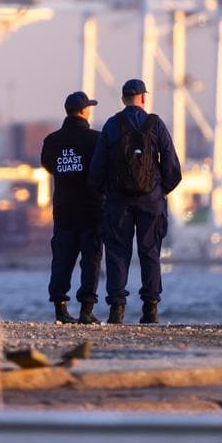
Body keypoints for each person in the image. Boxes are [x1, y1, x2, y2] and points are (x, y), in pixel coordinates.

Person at [88, 79, 181, 325]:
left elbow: (97, 168)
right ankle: (150, 310)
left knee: (117, 253)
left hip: (118, 202)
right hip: (151, 201)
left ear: (123, 99)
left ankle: (116, 310)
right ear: (143, 98)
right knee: (150, 253)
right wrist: (159, 190)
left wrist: (108, 192)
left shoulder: (111, 125)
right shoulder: (156, 124)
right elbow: (172, 165)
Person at [40, 91, 104, 324]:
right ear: (85, 111)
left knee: (62, 260)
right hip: (92, 209)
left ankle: (60, 308)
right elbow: (103, 168)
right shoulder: (97, 139)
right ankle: (86, 310)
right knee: (91, 260)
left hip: (64, 210)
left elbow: (48, 166)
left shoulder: (52, 140)